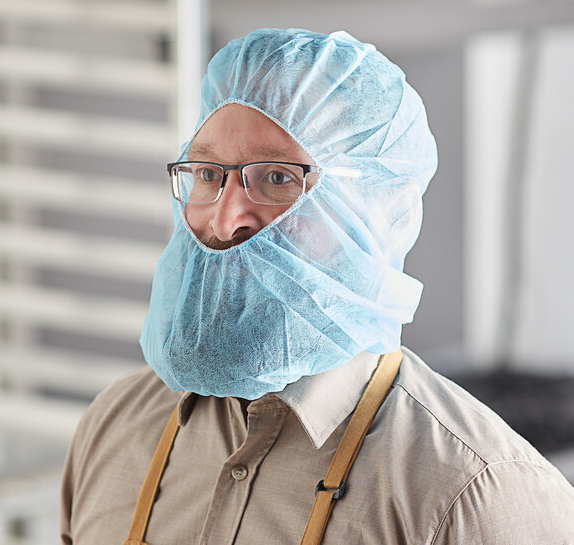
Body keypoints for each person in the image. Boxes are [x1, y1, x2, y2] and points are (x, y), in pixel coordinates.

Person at [60, 29, 574, 545]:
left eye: (278, 179)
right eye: (209, 173)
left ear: (372, 211)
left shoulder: (475, 494)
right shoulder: (117, 426)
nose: (224, 218)